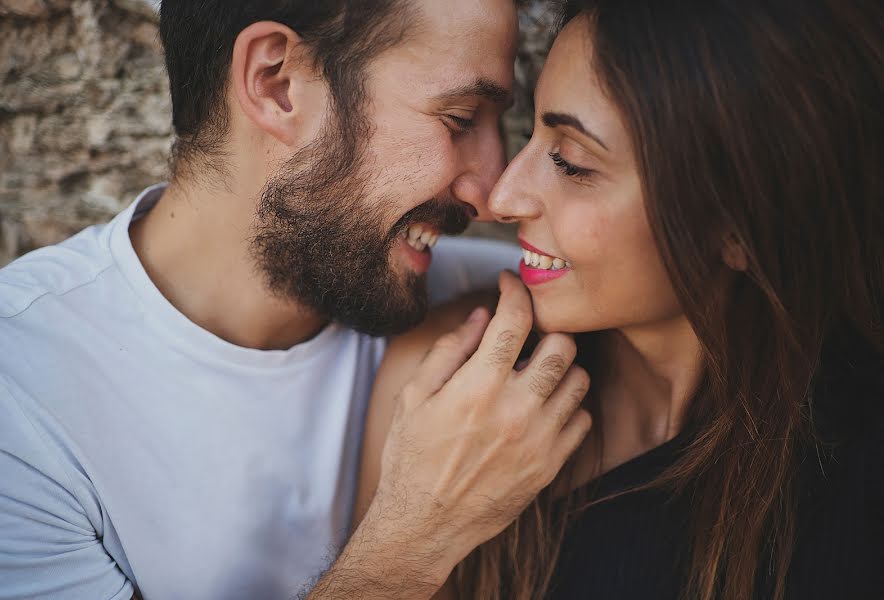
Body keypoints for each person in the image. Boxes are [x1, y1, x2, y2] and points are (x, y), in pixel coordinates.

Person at [0, 1, 595, 599]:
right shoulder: (11, 399)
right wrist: (416, 537)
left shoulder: (491, 308)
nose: (491, 192)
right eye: (461, 119)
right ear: (277, 84)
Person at [356, 0, 884, 598]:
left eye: (572, 163)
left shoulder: (856, 479)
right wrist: (415, 531)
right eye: (531, 134)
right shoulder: (450, 381)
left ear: (739, 225)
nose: (502, 198)